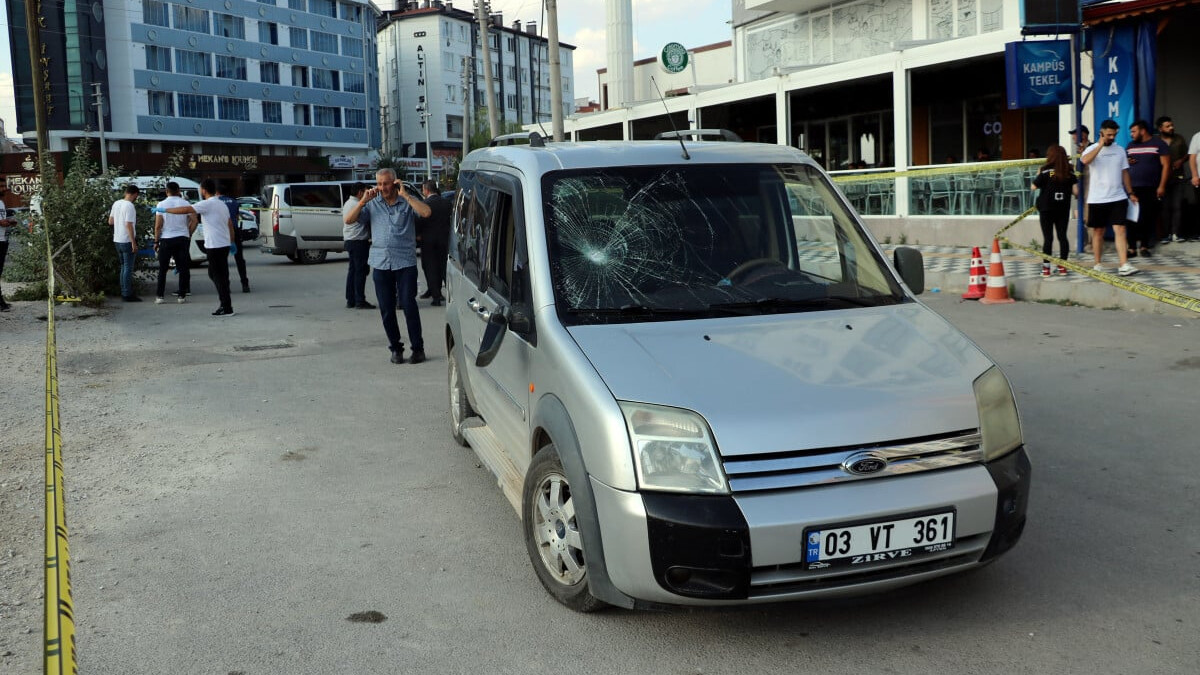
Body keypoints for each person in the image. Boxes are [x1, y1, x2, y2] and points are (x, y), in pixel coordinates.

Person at [343, 168, 432, 364]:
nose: (383, 187)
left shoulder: (405, 202)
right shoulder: (372, 204)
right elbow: (348, 220)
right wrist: (363, 201)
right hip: (381, 263)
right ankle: (396, 349)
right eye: (380, 184)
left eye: (386, 183)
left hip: (405, 263)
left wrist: (406, 195)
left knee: (409, 305)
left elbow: (426, 212)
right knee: (386, 308)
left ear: (394, 183)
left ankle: (418, 349)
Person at [158, 179, 239, 316]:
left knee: (217, 276)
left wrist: (165, 210)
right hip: (223, 244)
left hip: (214, 245)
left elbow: (186, 210)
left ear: (204, 190)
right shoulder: (221, 204)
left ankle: (226, 307)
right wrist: (231, 241)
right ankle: (225, 302)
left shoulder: (206, 204)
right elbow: (230, 223)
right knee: (219, 275)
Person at [1081, 119, 1139, 276]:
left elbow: (1125, 172)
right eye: (1108, 135)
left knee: (1120, 229)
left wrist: (1131, 193)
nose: (1112, 137)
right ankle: (1098, 263)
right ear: (1101, 133)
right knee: (1098, 232)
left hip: (1118, 196)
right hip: (1097, 198)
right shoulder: (1091, 149)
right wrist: (1100, 145)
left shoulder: (1120, 150)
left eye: (1114, 135)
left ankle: (1123, 264)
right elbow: (1085, 161)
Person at [1031, 144, 1078, 277]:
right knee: (1062, 237)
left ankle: (1046, 269)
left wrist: (1039, 174)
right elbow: (1076, 192)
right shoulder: (1068, 173)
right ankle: (1063, 267)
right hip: (1062, 209)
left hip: (1046, 209)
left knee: (1048, 238)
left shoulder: (1046, 172)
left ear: (1050, 156)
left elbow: (1033, 187)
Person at [1125, 120, 1169, 257]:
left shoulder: (1158, 144)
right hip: (1133, 188)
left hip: (1151, 187)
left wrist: (1161, 186)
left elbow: (1166, 166)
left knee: (1147, 217)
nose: (1131, 134)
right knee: (1131, 218)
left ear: (1142, 131)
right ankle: (1131, 247)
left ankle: (1144, 246)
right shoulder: (1130, 146)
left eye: (1134, 131)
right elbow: (1125, 164)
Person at [153, 181, 197, 303]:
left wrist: (156, 241)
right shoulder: (186, 203)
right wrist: (188, 233)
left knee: (163, 268)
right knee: (183, 267)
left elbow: (158, 226)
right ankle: (181, 296)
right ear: (179, 191)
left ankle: (159, 296)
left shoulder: (161, 204)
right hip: (182, 238)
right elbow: (195, 221)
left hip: (166, 239)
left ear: (166, 191)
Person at [416, 179, 451, 306]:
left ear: (426, 190)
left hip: (428, 241)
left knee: (430, 268)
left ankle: (436, 296)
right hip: (444, 240)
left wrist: (417, 235)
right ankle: (449, 294)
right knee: (443, 267)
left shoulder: (425, 204)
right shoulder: (447, 203)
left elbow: (419, 222)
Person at [1156, 116, 1189, 243]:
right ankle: (1165, 234)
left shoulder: (1179, 138)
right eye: (1167, 126)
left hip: (1178, 177)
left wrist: (1181, 160)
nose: (1171, 128)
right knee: (1164, 207)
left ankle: (1176, 233)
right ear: (1160, 128)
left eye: (1172, 125)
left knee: (1177, 206)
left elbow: (1188, 154)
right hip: (1161, 179)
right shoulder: (1155, 140)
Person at [342, 183, 374, 309]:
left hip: (351, 240)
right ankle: (360, 300)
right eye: (367, 192)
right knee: (360, 271)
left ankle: (351, 299)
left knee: (353, 271)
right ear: (360, 193)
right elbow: (365, 219)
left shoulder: (349, 203)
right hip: (358, 241)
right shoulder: (357, 205)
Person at [215, 181, 250, 293]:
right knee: (239, 259)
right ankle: (245, 284)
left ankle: (226, 285)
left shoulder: (216, 202)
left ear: (217, 192)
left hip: (221, 231)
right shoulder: (234, 202)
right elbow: (236, 216)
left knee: (222, 260)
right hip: (234, 230)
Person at [109, 184, 142, 301]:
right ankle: (127, 294)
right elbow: (128, 224)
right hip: (126, 240)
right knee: (128, 267)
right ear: (135, 194)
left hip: (117, 239)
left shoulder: (116, 203)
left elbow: (110, 221)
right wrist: (133, 242)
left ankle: (124, 291)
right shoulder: (129, 206)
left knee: (123, 267)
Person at [0, 201, 16, 311]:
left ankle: (1, 301)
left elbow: (2, 220)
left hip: (3, 239)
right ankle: (1, 303)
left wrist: (9, 222)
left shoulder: (1, 202)